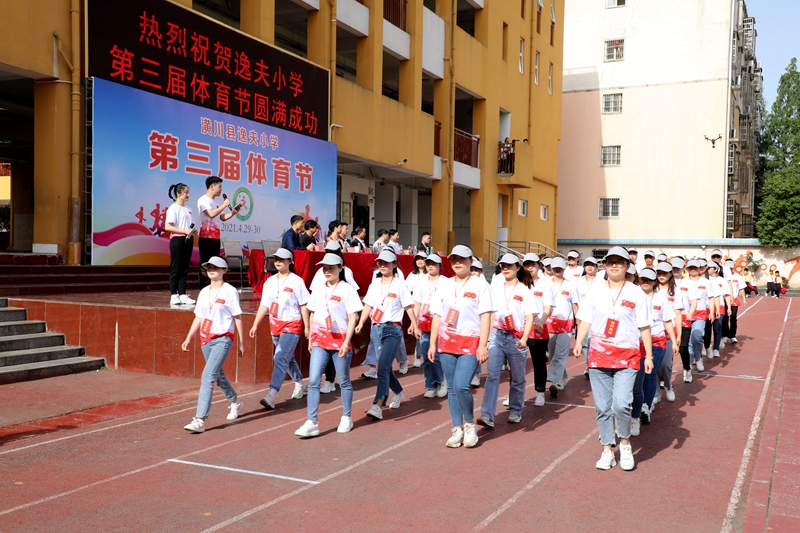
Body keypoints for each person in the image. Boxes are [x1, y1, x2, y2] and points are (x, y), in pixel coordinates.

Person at [573, 246, 653, 471]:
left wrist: (648, 355)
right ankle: (607, 449)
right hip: (599, 357)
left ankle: (625, 443)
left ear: (628, 266)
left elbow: (644, 325)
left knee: (621, 404)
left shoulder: (636, 292)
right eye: (610, 262)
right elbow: (585, 319)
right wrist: (579, 342)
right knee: (602, 407)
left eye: (620, 262)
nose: (615, 265)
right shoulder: (595, 291)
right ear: (604, 266)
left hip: (628, 356)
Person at [428, 245, 495, 448]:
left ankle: (469, 424)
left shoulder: (480, 285)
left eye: (462, 259)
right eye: (454, 259)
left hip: (470, 344)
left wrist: (483, 344)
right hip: (447, 343)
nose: (458, 263)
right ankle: (457, 428)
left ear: (470, 261)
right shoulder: (445, 284)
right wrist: (432, 343)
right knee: (451, 388)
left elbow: (486, 316)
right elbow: (438, 315)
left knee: (461, 385)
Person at [295, 253, 363, 437]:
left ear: (341, 269)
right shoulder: (318, 289)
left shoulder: (347, 290)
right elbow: (312, 312)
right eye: (325, 268)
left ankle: (346, 417)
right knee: (314, 380)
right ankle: (312, 421)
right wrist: (311, 338)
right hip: (320, 341)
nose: (327, 271)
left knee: (344, 381)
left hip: (340, 341)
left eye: (331, 268)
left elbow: (352, 317)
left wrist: (346, 342)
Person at [181, 257, 245, 433]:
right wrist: (188, 338)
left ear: (224, 270)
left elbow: (237, 317)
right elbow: (199, 317)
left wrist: (241, 342)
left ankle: (200, 420)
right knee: (218, 376)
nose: (211, 271)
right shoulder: (204, 292)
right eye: (209, 268)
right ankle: (235, 402)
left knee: (207, 376)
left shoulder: (230, 291)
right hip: (205, 339)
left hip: (223, 338)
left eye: (216, 268)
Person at [356, 250, 421, 420]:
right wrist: (361, 323)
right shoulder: (374, 285)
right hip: (376, 329)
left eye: (386, 262)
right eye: (380, 263)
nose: (382, 265)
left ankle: (378, 404)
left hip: (393, 330)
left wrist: (415, 325)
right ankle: (398, 392)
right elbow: (368, 306)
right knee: (383, 367)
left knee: (383, 366)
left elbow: (408, 307)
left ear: (394, 264)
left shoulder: (400, 285)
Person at [477, 253, 535, 428]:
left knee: (517, 378)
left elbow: (530, 316)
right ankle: (487, 415)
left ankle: (516, 410)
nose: (505, 269)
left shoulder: (524, 290)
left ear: (518, 267)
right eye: (503, 266)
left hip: (516, 339)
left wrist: (525, 338)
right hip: (497, 335)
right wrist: (486, 341)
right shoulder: (495, 288)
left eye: (509, 265)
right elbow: (490, 314)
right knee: (493, 376)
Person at [250, 248, 310, 410]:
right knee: (287, 358)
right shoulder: (269, 281)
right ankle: (299, 383)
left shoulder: (296, 281)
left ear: (290, 261)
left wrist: (307, 327)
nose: (278, 262)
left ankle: (272, 394)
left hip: (292, 323)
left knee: (280, 357)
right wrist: (255, 324)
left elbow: (304, 304)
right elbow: (264, 305)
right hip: (275, 323)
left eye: (282, 259)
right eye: (276, 259)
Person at [631, 268, 678, 434]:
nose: (645, 282)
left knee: (650, 374)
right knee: (638, 376)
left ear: (655, 282)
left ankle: (645, 406)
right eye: (643, 279)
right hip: (636, 342)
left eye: (649, 280)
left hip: (657, 341)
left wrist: (673, 340)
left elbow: (667, 321)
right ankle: (636, 405)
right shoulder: (633, 296)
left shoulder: (661, 300)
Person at [310, 242, 360, 392]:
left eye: (332, 251)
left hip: (339, 319)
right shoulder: (320, 272)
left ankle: (331, 380)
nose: (329, 253)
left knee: (337, 357)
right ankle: (329, 380)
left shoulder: (346, 273)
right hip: (322, 322)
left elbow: (354, 288)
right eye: (327, 250)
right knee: (323, 352)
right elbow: (314, 292)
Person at [197, 176, 242, 289]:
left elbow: (220, 217)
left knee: (215, 263)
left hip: (216, 238)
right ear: (212, 186)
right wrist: (224, 205)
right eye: (219, 186)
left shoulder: (216, 201)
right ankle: (203, 288)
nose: (221, 189)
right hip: (206, 238)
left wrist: (233, 212)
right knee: (206, 264)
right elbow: (211, 214)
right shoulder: (203, 200)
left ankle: (213, 287)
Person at [414, 253, 448, 398]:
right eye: (428, 264)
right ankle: (430, 385)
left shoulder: (446, 282)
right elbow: (417, 303)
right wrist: (414, 323)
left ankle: (441, 381)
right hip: (424, 325)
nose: (430, 266)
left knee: (437, 356)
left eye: (434, 263)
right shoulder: (421, 282)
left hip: (439, 325)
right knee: (427, 358)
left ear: (440, 265)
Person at [521, 253, 552, 407]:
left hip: (538, 329)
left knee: (538, 362)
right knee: (517, 363)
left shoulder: (545, 285)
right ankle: (516, 394)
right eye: (527, 265)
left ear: (539, 265)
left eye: (533, 264)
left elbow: (547, 306)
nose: (530, 268)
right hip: (519, 329)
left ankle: (540, 392)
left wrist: (542, 320)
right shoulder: (519, 284)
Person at [546, 256, 578, 398]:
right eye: (555, 267)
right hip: (548, 324)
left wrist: (579, 322)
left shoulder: (570, 285)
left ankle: (555, 381)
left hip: (566, 324)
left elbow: (575, 305)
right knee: (553, 354)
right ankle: (562, 376)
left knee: (560, 354)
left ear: (564, 268)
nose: (557, 269)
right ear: (551, 268)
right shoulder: (544, 284)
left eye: (560, 267)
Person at [682, 259, 715, 382]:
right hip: (685, 314)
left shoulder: (706, 282)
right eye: (690, 268)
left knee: (697, 335)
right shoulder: (683, 282)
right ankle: (689, 361)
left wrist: (711, 312)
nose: (693, 270)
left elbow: (710, 298)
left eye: (695, 267)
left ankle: (698, 357)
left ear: (700, 269)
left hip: (700, 312)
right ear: (687, 269)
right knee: (688, 339)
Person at [165, 182, 196, 305]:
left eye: (188, 192)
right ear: (178, 193)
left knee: (184, 268)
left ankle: (182, 293)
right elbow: (168, 226)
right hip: (177, 240)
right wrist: (184, 231)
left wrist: (193, 231)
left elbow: (190, 225)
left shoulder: (189, 209)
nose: (188, 194)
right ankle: (174, 294)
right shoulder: (173, 208)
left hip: (188, 239)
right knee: (175, 267)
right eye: (185, 192)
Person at [656, 262, 680, 402]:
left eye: (665, 273)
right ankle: (655, 393)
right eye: (659, 273)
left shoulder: (676, 291)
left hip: (669, 333)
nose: (661, 276)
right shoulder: (651, 289)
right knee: (653, 366)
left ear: (670, 273)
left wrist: (678, 336)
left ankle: (668, 385)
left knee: (665, 364)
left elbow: (677, 314)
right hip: (652, 334)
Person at [574, 257, 599, 378]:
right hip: (583, 316)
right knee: (584, 342)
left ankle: (593, 365)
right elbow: (575, 301)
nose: (590, 267)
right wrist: (577, 317)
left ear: (596, 267)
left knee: (594, 340)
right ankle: (589, 364)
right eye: (587, 265)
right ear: (584, 267)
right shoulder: (578, 282)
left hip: (597, 316)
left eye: (592, 265)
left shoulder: (601, 281)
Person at [407, 252, 429, 368]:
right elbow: (407, 290)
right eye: (418, 259)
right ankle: (417, 357)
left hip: (428, 307)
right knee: (417, 331)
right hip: (415, 306)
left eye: (422, 259)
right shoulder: (412, 275)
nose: (420, 261)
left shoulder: (429, 274)